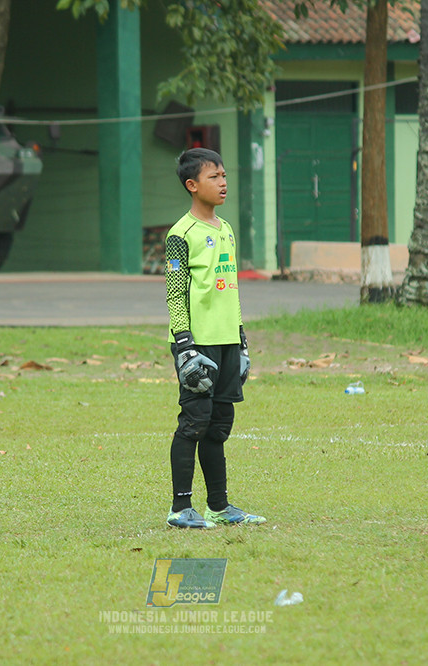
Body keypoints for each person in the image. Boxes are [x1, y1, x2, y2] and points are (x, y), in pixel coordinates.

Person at [163, 147, 267, 529]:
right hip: (197, 344)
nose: (223, 183)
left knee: (219, 424)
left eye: (224, 175)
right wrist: (185, 344)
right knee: (194, 421)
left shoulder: (226, 230)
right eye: (214, 177)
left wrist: (240, 341)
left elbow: (232, 289)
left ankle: (219, 508)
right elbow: (175, 293)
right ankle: (180, 508)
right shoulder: (180, 235)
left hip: (226, 342)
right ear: (192, 185)